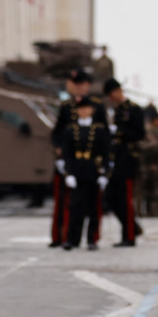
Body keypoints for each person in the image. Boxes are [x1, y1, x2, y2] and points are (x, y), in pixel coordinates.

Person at [57, 96, 112, 251]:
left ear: (91, 110)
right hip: (77, 171)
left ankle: (92, 239)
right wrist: (68, 174)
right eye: (81, 109)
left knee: (93, 208)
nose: (84, 111)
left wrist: (104, 174)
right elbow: (66, 153)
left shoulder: (99, 130)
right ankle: (72, 239)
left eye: (87, 108)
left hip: (93, 171)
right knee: (75, 207)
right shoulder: (70, 130)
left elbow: (107, 153)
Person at [48, 68, 94, 246]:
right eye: (75, 84)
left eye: (81, 84)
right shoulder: (66, 106)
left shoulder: (96, 106)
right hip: (68, 159)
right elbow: (57, 132)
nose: (78, 88)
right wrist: (59, 149)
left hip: (88, 162)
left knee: (89, 203)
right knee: (62, 200)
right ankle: (60, 235)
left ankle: (90, 238)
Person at [103, 79, 145, 246]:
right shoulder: (117, 110)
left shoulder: (134, 110)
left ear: (117, 91)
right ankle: (133, 227)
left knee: (124, 198)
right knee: (111, 198)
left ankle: (129, 236)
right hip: (116, 159)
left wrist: (119, 132)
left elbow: (139, 133)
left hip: (128, 159)